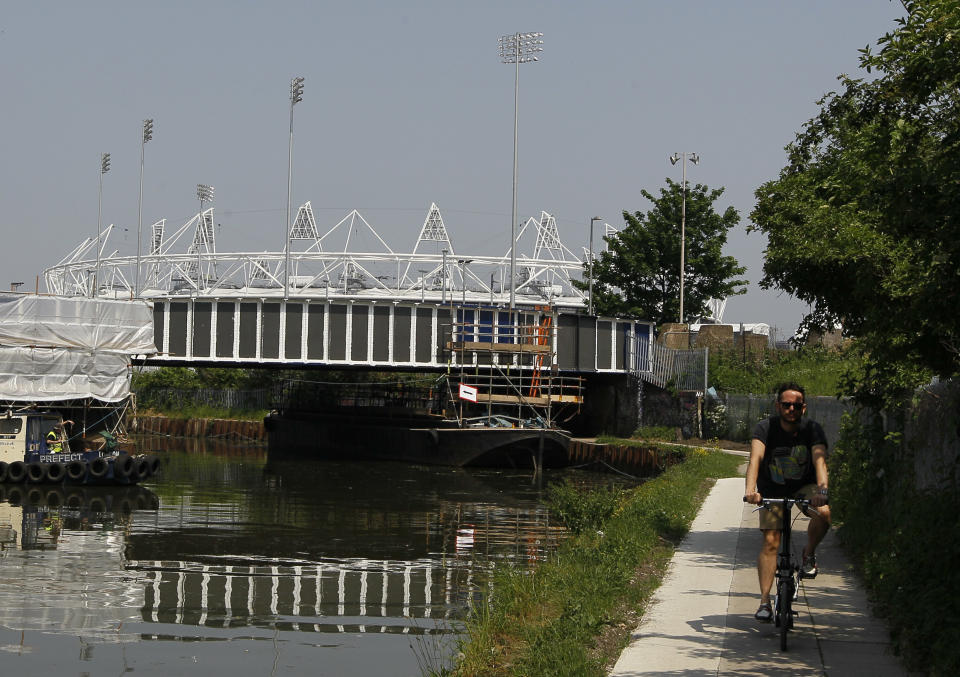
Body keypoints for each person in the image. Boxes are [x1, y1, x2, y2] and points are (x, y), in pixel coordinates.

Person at [743, 382, 830, 622]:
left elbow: (820, 462)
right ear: (778, 406)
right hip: (772, 488)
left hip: (805, 488)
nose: (791, 409)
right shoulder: (765, 428)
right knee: (771, 541)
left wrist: (822, 490)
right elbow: (755, 460)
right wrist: (751, 490)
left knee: (824, 514)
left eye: (796, 405)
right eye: (786, 404)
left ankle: (808, 554)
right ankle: (764, 602)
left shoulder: (813, 430)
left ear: (804, 408)